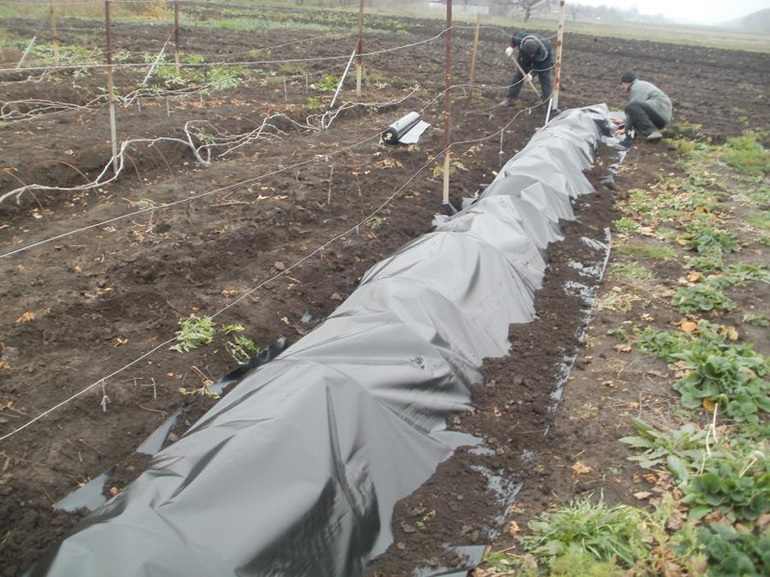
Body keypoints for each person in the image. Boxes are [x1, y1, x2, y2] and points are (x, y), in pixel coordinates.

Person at [614, 71, 672, 142]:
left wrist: (626, 128)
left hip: (660, 114)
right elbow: (637, 113)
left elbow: (633, 109)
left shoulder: (637, 87)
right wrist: (624, 121)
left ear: (626, 83)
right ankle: (646, 132)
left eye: (622, 84)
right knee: (633, 108)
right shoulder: (641, 85)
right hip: (661, 114)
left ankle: (651, 132)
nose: (623, 87)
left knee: (630, 107)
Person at [500, 31, 553, 107]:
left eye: (532, 54)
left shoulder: (544, 50)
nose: (531, 56)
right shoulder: (521, 38)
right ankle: (510, 98)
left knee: (545, 79)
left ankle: (547, 104)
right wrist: (511, 47)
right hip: (524, 57)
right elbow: (515, 35)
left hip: (543, 63)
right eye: (530, 54)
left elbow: (540, 66)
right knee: (518, 76)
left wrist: (532, 74)